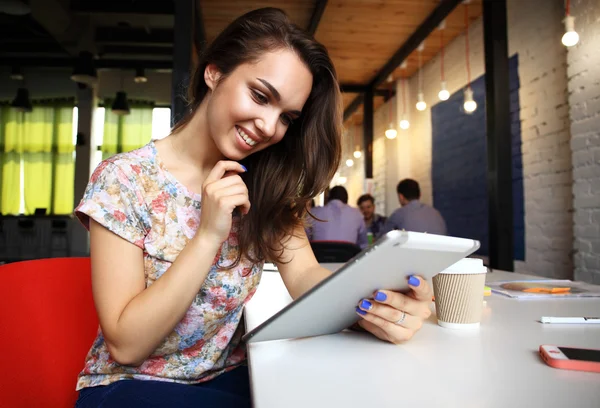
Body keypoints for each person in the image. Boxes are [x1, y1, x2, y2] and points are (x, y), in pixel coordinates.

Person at [73, 8, 433, 408]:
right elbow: (126, 344)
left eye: (286, 118)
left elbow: (307, 275)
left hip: (236, 378)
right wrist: (208, 234)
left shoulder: (261, 185)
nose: (269, 126)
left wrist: (374, 302)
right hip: (131, 386)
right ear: (214, 73)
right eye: (261, 96)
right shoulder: (124, 180)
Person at [380, 179, 447, 236]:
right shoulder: (436, 213)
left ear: (401, 197)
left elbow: (382, 240)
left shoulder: (398, 214)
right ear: (420, 194)